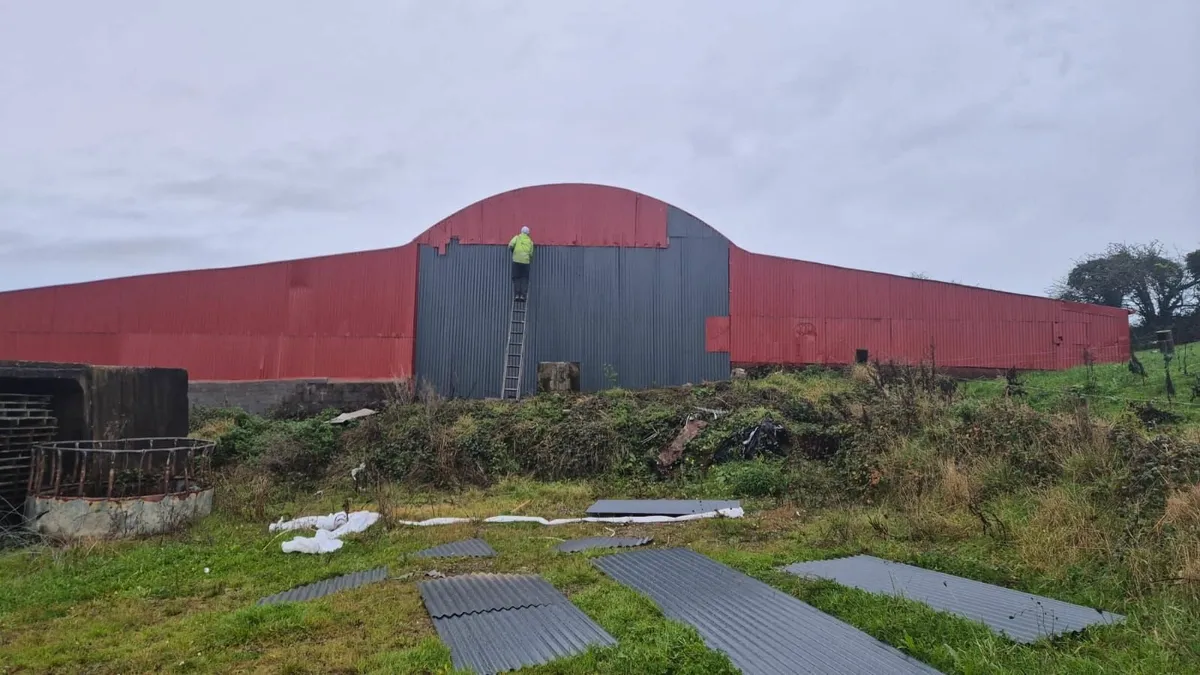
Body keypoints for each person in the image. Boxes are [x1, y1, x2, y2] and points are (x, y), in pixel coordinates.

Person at [508, 225, 534, 301]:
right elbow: (531, 254)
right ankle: (523, 296)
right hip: (525, 262)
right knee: (524, 278)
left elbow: (510, 245)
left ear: (521, 231)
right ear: (528, 233)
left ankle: (517, 295)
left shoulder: (517, 238)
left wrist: (513, 251)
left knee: (516, 278)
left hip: (516, 261)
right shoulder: (530, 242)